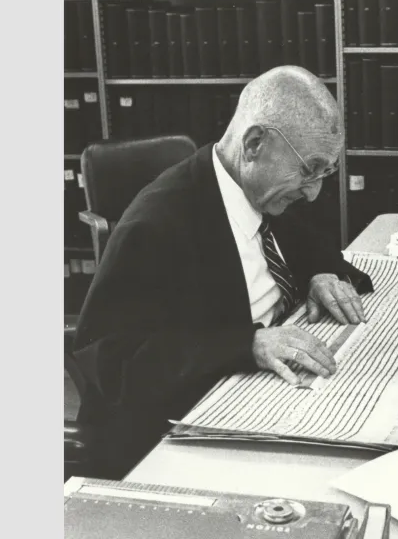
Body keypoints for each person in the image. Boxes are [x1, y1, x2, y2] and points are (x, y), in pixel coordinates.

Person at [71, 66, 373, 478]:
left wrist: (321, 274)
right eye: (309, 169)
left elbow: (313, 249)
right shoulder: (157, 223)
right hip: (179, 431)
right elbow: (110, 361)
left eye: (326, 172)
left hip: (265, 396)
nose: (315, 191)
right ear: (253, 145)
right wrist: (246, 344)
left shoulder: (263, 193)